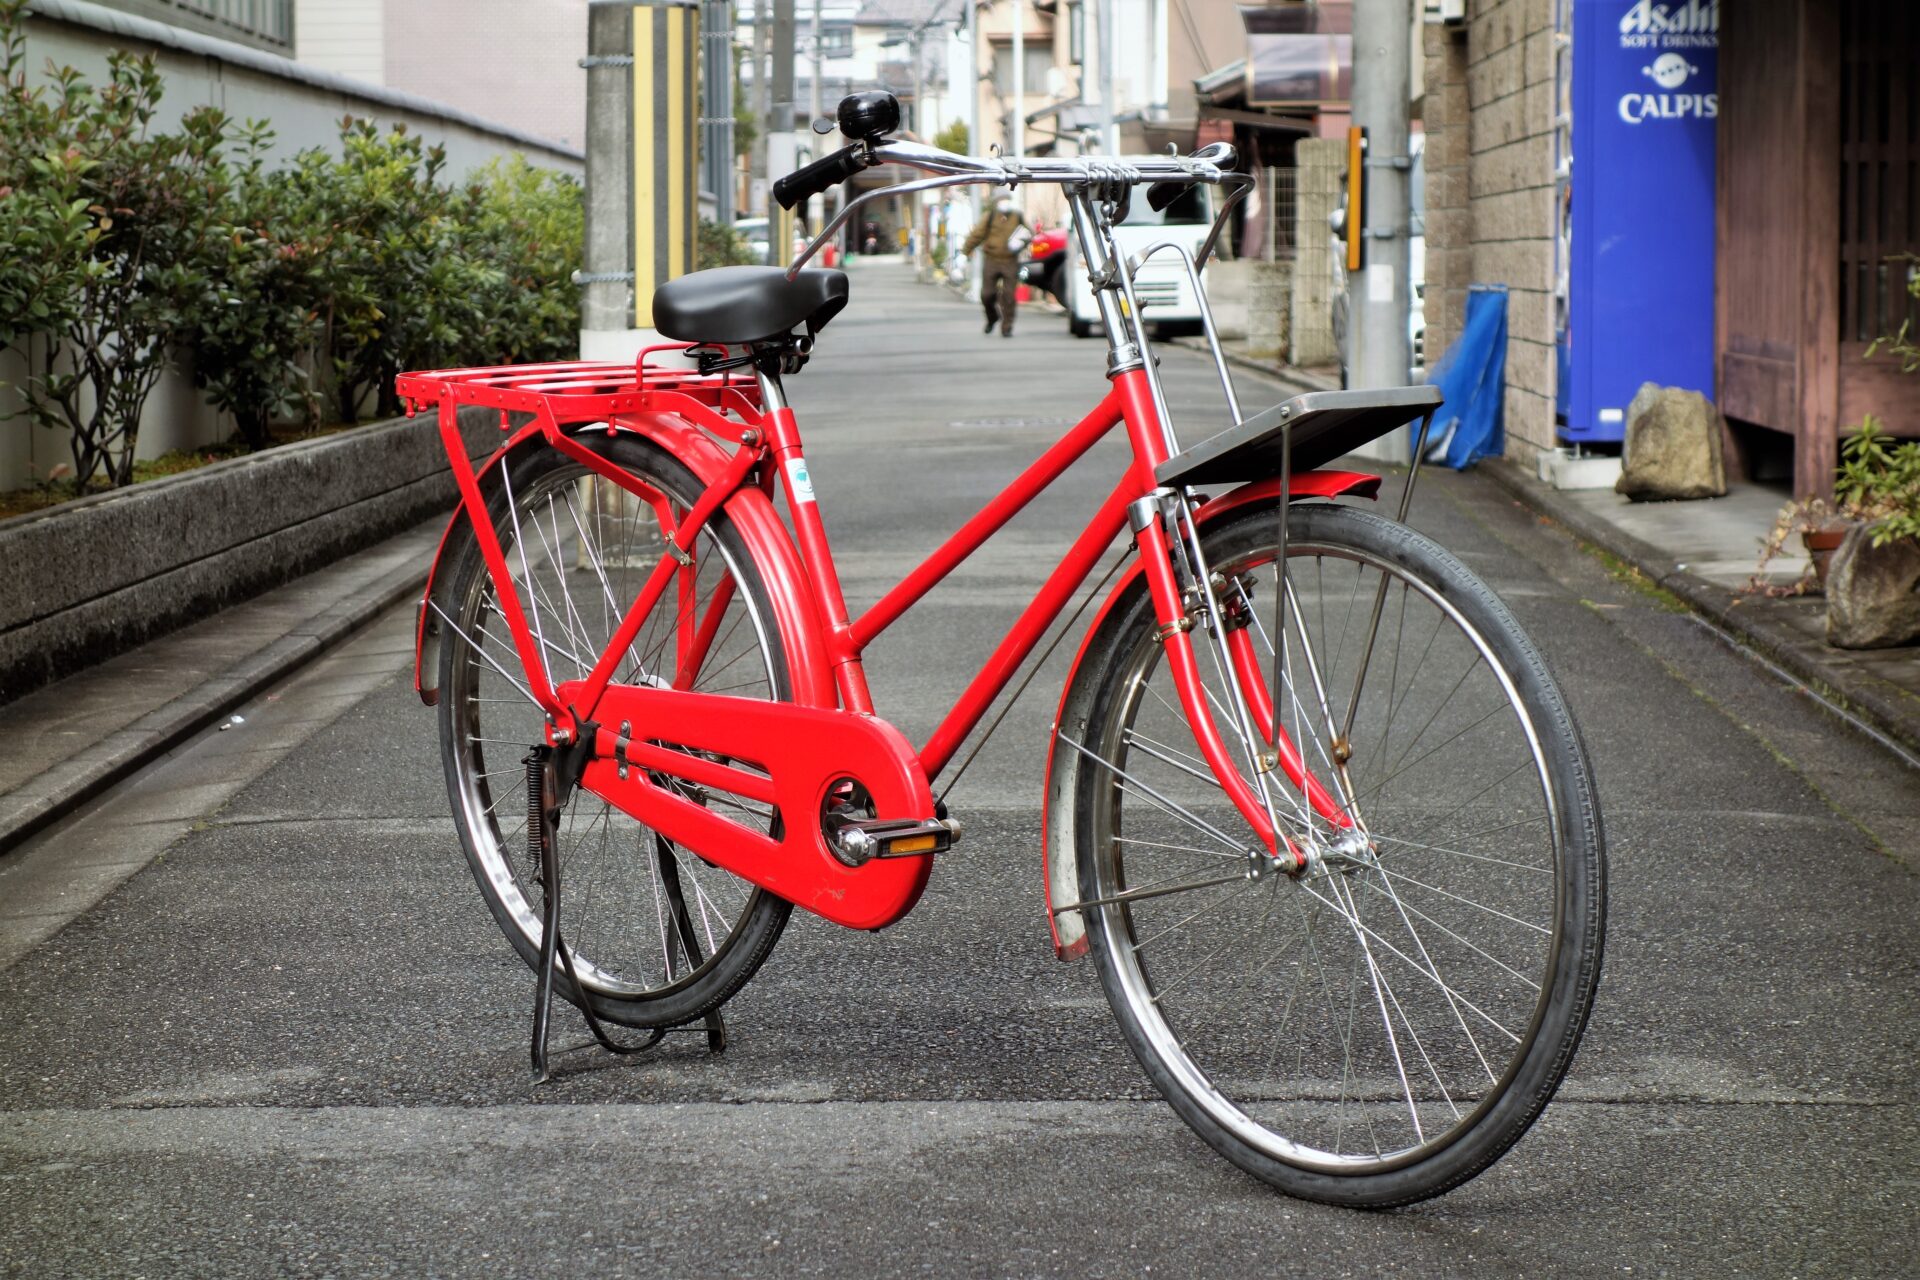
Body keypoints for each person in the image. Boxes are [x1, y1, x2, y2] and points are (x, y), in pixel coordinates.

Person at [962, 196, 1031, 338]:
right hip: (991, 260)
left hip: (1010, 260)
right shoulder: (990, 216)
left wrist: (1022, 242)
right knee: (987, 295)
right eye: (1001, 199)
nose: (1004, 203)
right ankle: (992, 317)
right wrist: (966, 251)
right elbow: (977, 234)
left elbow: (1029, 233)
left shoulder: (1017, 216)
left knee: (1009, 296)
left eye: (1006, 199)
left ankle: (1007, 326)